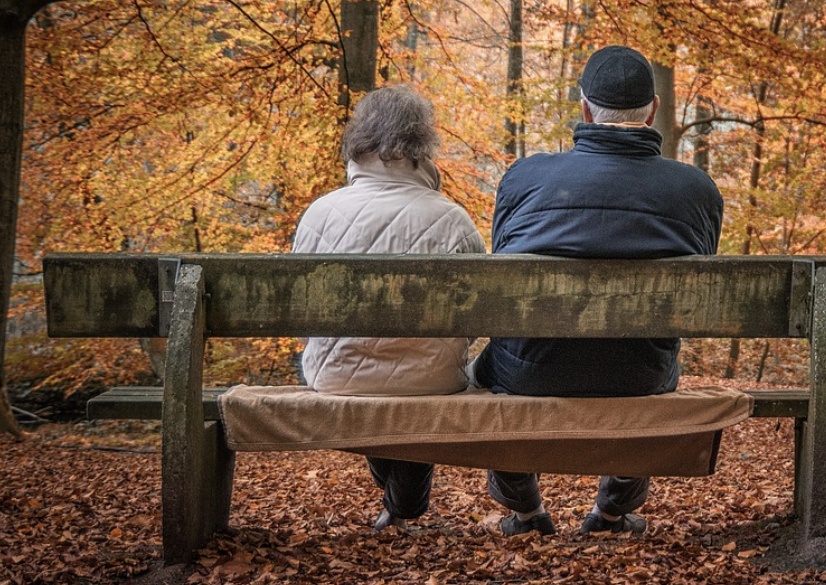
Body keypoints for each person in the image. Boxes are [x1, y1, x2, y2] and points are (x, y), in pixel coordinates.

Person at [471, 45, 724, 537]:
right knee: (643, 358)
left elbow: (504, 264)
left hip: (530, 372)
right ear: (652, 111)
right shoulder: (696, 190)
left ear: (584, 109)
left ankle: (525, 514)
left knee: (496, 363)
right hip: (639, 373)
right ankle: (611, 514)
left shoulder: (524, 177)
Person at [294, 85, 486, 532]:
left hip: (334, 375)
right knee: (415, 383)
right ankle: (405, 506)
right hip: (432, 378)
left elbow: (303, 316)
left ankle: (401, 506)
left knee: (378, 386)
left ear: (359, 141)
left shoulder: (319, 214)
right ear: (423, 146)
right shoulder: (452, 219)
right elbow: (477, 316)